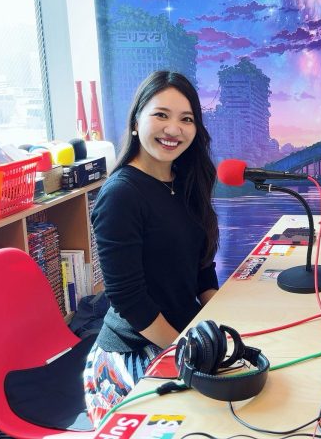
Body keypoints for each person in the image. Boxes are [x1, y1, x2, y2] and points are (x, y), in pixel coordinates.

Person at [83, 71, 219, 425]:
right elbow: (130, 300)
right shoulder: (121, 195)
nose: (174, 129)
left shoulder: (187, 182)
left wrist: (225, 319)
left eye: (186, 119)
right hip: (135, 350)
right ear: (135, 122)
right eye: (161, 115)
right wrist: (184, 350)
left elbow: (202, 270)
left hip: (182, 333)